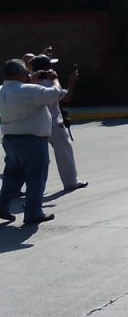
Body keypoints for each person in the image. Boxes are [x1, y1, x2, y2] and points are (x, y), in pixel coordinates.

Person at [0, 59, 65, 224]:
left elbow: (24, 94)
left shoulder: (2, 91)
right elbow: (55, 94)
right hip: (33, 141)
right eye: (26, 72)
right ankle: (33, 212)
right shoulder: (30, 90)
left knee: (12, 176)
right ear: (19, 74)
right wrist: (55, 79)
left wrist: (31, 82)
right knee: (36, 177)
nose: (29, 74)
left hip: (10, 139)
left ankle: (2, 206)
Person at [30, 55, 87, 193]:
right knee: (64, 153)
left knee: (34, 159)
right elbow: (66, 97)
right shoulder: (50, 84)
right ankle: (70, 182)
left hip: (34, 125)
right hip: (54, 124)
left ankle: (30, 189)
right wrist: (71, 82)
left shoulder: (29, 83)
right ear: (45, 69)